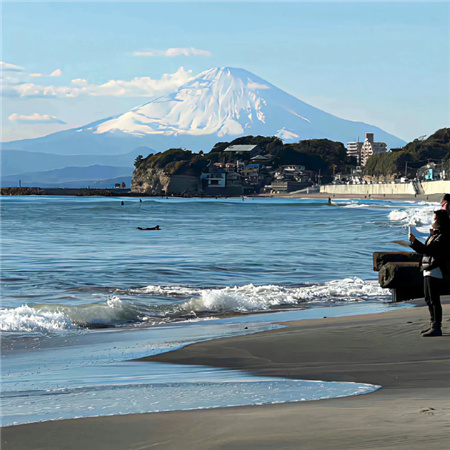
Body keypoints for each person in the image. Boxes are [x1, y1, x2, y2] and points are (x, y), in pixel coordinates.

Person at [409, 210, 450, 336]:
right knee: (428, 298)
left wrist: (414, 242)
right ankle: (433, 324)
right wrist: (430, 236)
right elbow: (426, 250)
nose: (433, 221)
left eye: (435, 219)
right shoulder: (436, 235)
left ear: (440, 222)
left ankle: (436, 327)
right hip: (428, 270)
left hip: (435, 270)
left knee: (433, 299)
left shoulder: (443, 237)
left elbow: (429, 250)